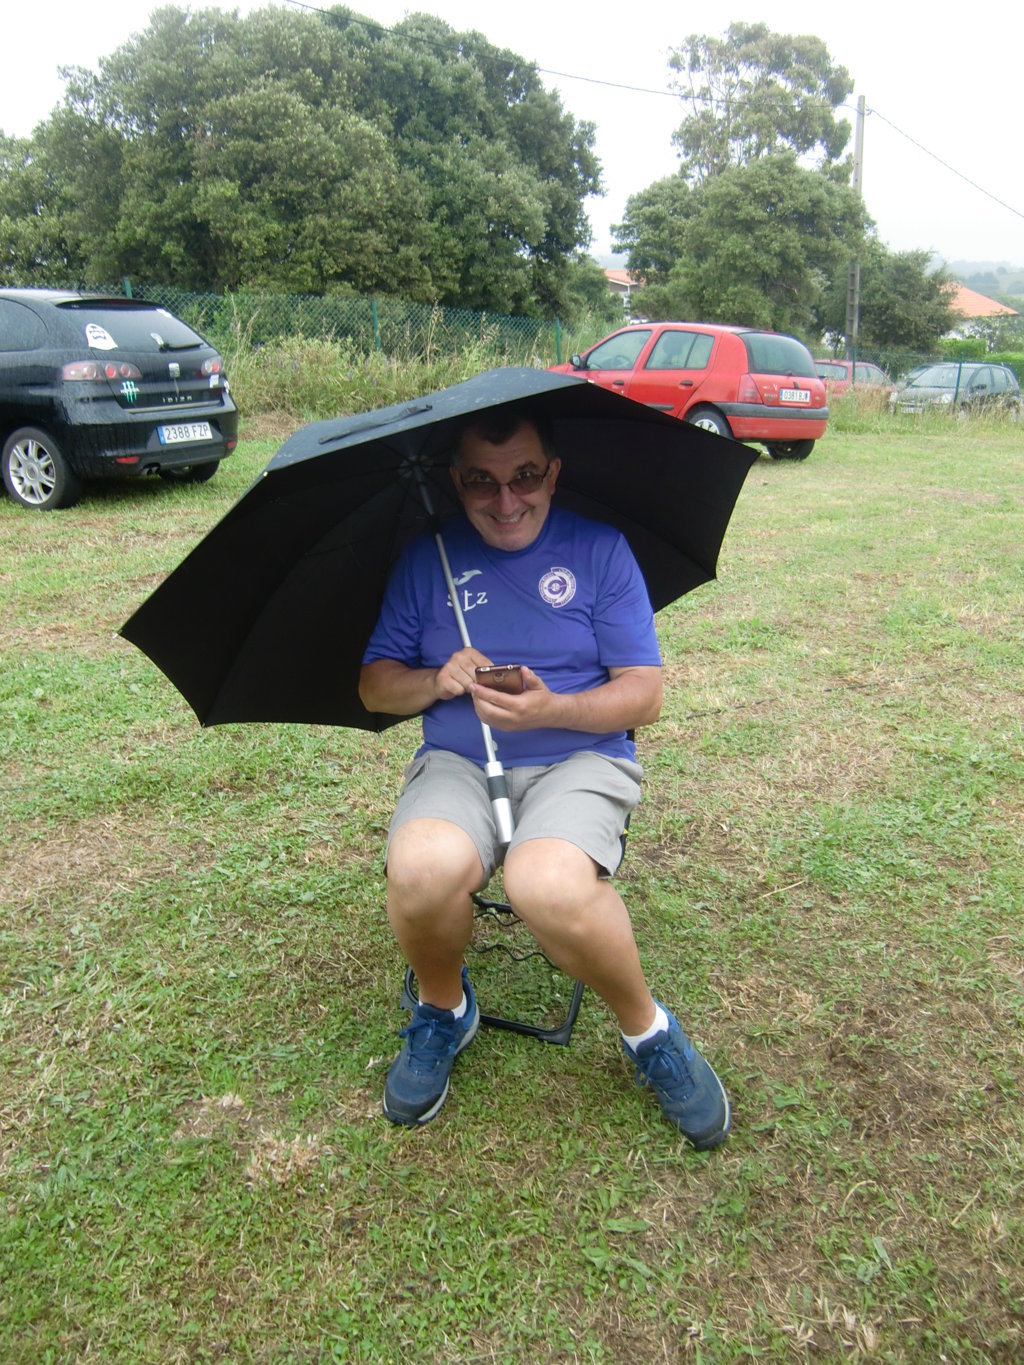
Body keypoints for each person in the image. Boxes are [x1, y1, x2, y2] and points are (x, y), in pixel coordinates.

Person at [358, 410, 730, 1149]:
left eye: (525, 475)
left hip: (580, 758)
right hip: (462, 761)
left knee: (547, 883)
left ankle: (649, 1032)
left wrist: (552, 709)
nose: (506, 500)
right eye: (481, 481)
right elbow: (374, 687)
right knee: (421, 868)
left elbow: (644, 695)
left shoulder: (600, 551)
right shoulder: (428, 559)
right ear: (455, 480)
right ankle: (443, 1009)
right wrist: (435, 680)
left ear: (553, 472)